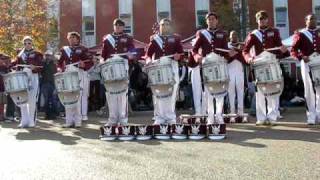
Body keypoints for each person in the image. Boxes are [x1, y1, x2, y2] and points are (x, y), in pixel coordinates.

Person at [242, 10, 289, 126]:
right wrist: (248, 59)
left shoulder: (274, 32)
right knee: (260, 93)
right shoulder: (253, 34)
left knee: (272, 91)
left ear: (267, 19)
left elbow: (280, 48)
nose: (262, 21)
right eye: (260, 19)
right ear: (257, 21)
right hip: (259, 66)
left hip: (272, 64)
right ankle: (261, 117)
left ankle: (272, 117)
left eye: (264, 18)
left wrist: (283, 52)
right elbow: (245, 51)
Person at [190, 12, 237, 125]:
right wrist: (197, 57)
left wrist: (229, 54)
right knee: (208, 92)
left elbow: (225, 50)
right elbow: (194, 50)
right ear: (207, 21)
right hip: (207, 66)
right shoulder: (202, 34)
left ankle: (219, 115)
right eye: (209, 19)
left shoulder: (222, 34)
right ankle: (210, 116)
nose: (211, 21)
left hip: (219, 66)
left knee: (220, 92)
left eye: (213, 19)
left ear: (216, 21)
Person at [145, 18, 183, 125]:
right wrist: (148, 61)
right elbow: (148, 54)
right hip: (158, 68)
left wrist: (178, 56)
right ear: (159, 26)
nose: (165, 26)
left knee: (172, 93)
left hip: (172, 66)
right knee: (159, 93)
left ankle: (171, 118)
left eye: (167, 24)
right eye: (162, 24)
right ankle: (160, 117)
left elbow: (181, 54)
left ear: (170, 26)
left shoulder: (175, 38)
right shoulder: (154, 39)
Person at [101, 18, 135, 126]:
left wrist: (131, 55)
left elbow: (133, 51)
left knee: (122, 94)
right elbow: (103, 54)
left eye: (120, 25)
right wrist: (102, 61)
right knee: (111, 94)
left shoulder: (128, 37)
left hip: (122, 65)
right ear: (113, 26)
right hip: (110, 67)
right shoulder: (107, 38)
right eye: (116, 25)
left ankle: (123, 119)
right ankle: (112, 119)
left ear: (123, 27)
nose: (118, 27)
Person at [57, 32, 93, 128]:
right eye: (70, 37)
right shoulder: (65, 50)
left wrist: (84, 65)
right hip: (68, 73)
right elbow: (60, 62)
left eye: (74, 37)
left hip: (78, 73)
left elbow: (90, 61)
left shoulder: (83, 49)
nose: (72, 39)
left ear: (78, 39)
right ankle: (69, 121)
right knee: (68, 97)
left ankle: (78, 121)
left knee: (77, 97)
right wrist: (60, 69)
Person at [291, 14, 320, 125]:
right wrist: (301, 57)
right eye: (310, 19)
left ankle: (319, 114)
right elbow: (293, 50)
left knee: (319, 89)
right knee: (309, 90)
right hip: (307, 63)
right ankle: (311, 116)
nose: (313, 20)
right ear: (306, 21)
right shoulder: (301, 34)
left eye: (315, 18)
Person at [11, 36, 43, 128]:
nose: (27, 45)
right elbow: (15, 64)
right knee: (22, 99)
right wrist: (11, 66)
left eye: (29, 43)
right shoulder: (20, 54)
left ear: (32, 43)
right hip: (22, 77)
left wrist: (35, 67)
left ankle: (31, 121)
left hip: (33, 76)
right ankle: (24, 120)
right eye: (25, 43)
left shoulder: (37, 54)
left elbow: (41, 66)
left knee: (32, 100)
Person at [227, 31, 246, 123]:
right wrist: (235, 53)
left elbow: (244, 60)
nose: (234, 37)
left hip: (239, 71)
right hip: (230, 71)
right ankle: (232, 114)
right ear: (229, 37)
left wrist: (238, 51)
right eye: (232, 35)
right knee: (231, 93)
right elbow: (226, 59)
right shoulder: (227, 46)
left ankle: (241, 113)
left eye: (235, 35)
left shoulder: (241, 46)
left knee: (240, 92)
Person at [41, 50, 58, 120]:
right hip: (45, 83)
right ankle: (47, 115)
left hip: (52, 83)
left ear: (51, 56)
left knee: (53, 100)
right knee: (46, 100)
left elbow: (55, 73)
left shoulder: (54, 64)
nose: (48, 57)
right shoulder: (42, 63)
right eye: (46, 55)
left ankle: (54, 114)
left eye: (49, 55)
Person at [0, 53, 11, 121]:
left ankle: (2, 116)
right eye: (2, 59)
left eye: (3, 59)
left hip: (3, 87)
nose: (3, 60)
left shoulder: (4, 67)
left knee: (2, 102)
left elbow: (9, 73)